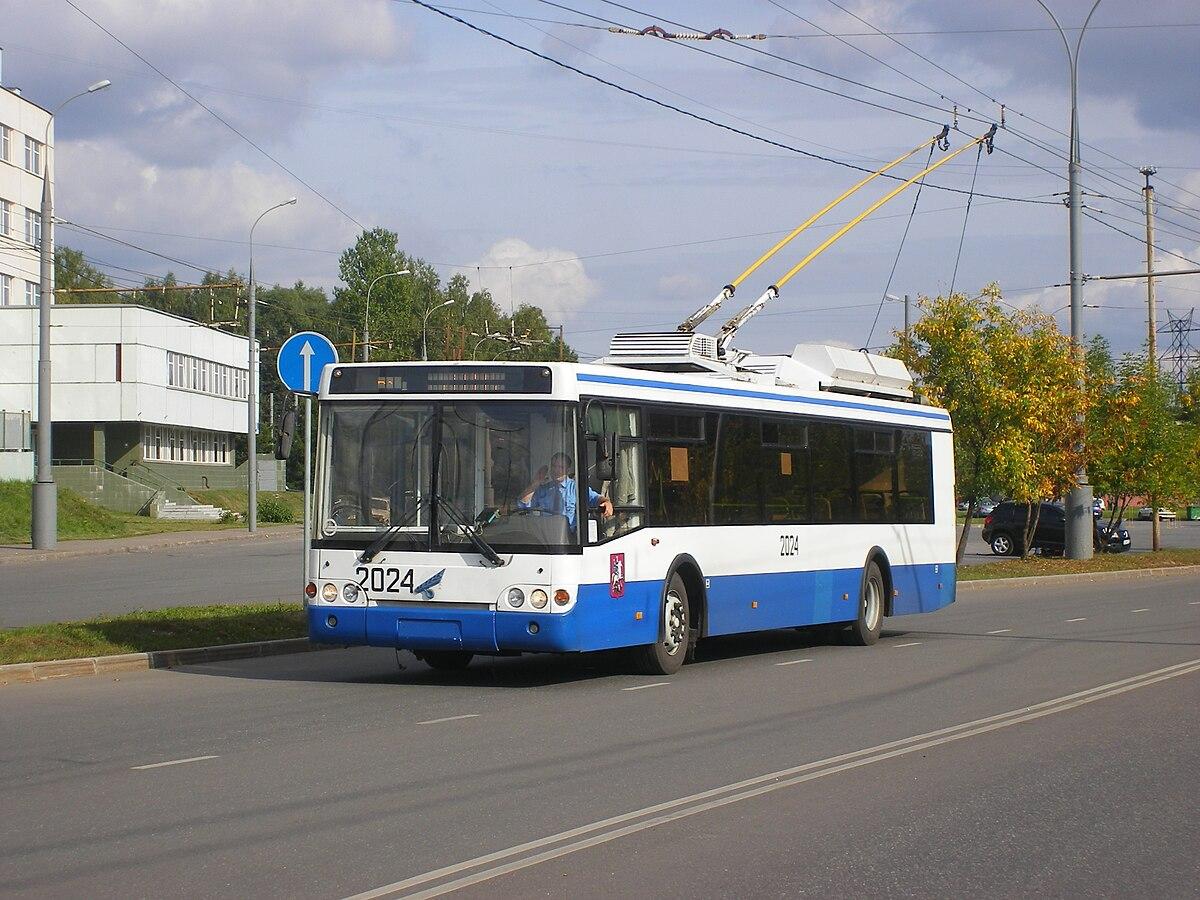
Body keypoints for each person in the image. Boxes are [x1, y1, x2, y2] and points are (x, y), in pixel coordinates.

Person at [518, 452, 612, 528]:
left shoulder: (575, 488)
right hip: (546, 535)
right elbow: (522, 505)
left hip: (569, 538)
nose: (556, 470)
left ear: (567, 470)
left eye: (561, 467)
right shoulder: (544, 489)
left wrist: (606, 502)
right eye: (554, 466)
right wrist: (535, 483)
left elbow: (595, 498)